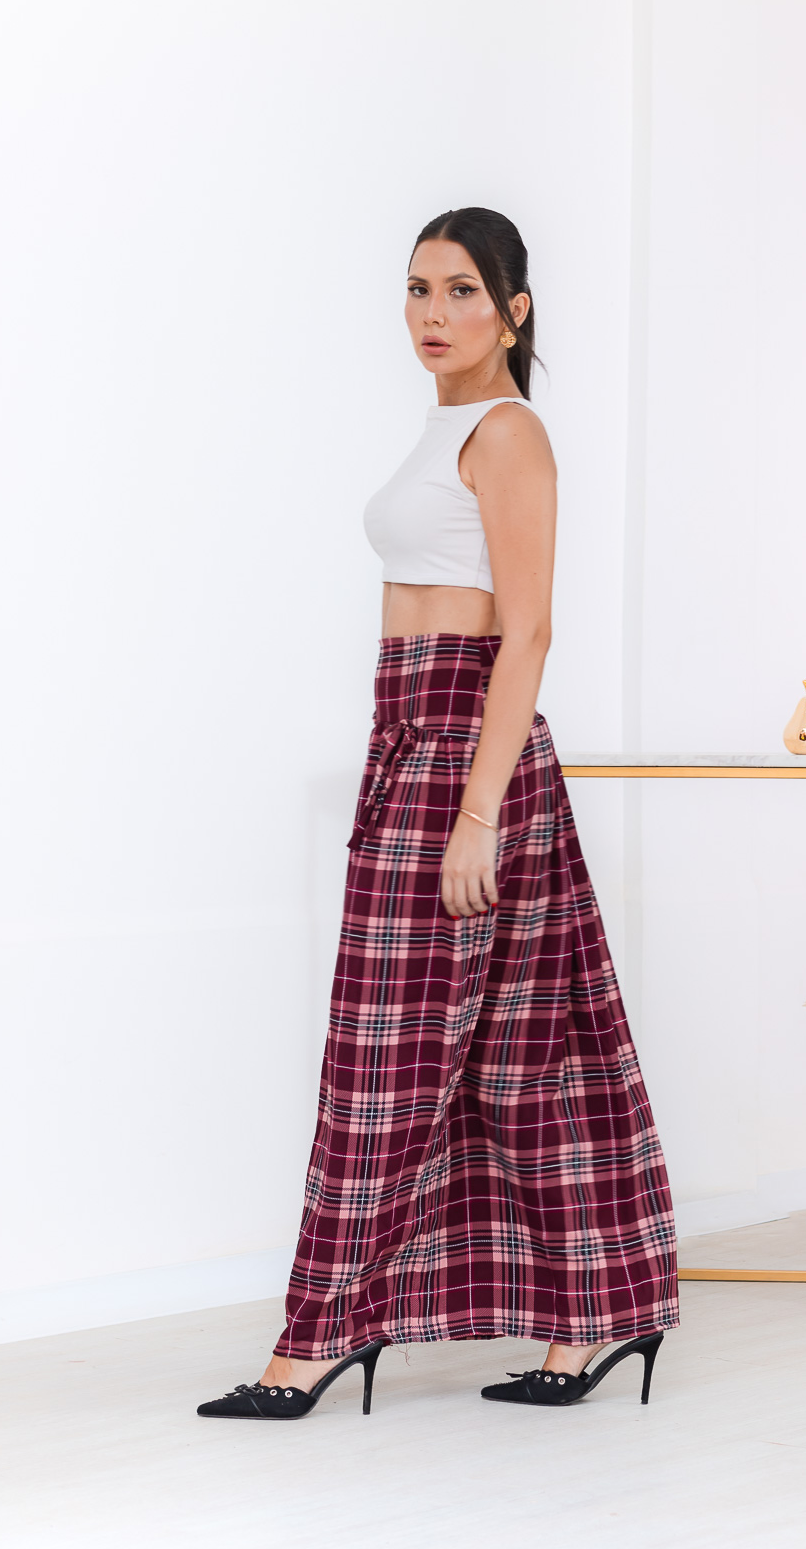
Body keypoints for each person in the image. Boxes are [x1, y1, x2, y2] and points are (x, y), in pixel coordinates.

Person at [198, 207, 679, 1421]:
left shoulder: (508, 431)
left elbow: (529, 631)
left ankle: (315, 1341)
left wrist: (475, 814)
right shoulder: (444, 427)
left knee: (396, 1053)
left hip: (468, 752)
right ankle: (591, 1311)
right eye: (417, 288)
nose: (432, 312)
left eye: (462, 290)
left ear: (513, 310)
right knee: (515, 1051)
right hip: (409, 740)